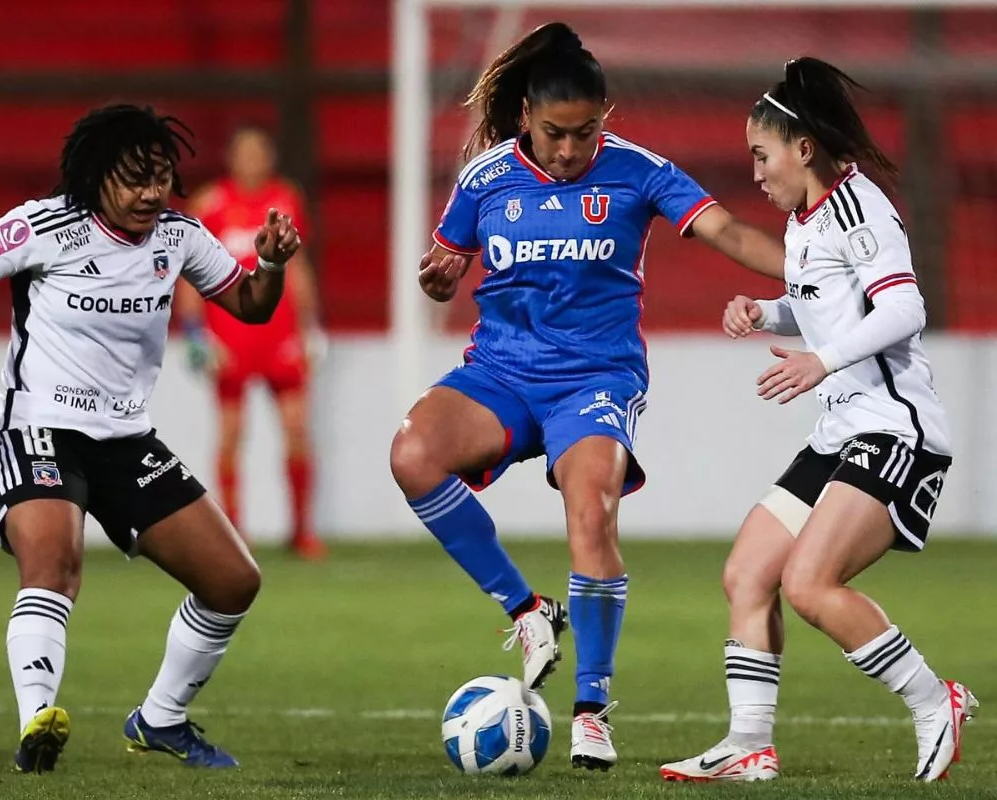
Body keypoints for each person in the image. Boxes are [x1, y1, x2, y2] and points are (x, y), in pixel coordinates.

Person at [0, 104, 302, 774]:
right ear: (97, 178)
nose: (150, 193)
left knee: (233, 580)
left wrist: (269, 266)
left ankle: (160, 718)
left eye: (160, 177)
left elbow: (249, 305)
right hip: (37, 426)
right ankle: (36, 721)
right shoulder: (42, 226)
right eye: (134, 179)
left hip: (125, 439)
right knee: (54, 564)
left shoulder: (179, 236)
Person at [387, 22, 790, 772]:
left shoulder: (637, 171)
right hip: (501, 375)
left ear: (605, 115)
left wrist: (808, 271)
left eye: (584, 133)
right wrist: (435, 275)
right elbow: (445, 260)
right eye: (553, 134)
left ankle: (591, 709)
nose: (569, 150)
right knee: (412, 455)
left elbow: (725, 228)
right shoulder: (485, 178)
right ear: (524, 120)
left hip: (595, 377)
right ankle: (526, 610)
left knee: (591, 508)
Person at [659, 58, 976, 784]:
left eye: (761, 155)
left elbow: (904, 309)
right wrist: (765, 310)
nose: (757, 172)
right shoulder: (805, 221)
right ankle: (748, 745)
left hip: (896, 433)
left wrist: (822, 361)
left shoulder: (860, 209)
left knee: (809, 585)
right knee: (747, 574)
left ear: (803, 148)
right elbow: (830, 305)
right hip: (840, 434)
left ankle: (937, 702)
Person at [175, 125, 327, 559]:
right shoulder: (211, 204)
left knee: (297, 429)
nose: (253, 160)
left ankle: (301, 531)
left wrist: (311, 326)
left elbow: (297, 269)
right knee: (230, 434)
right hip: (229, 336)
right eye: (245, 152)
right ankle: (233, 533)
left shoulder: (285, 201)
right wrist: (194, 333)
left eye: (260, 152)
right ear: (232, 157)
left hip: (280, 336)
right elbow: (192, 271)